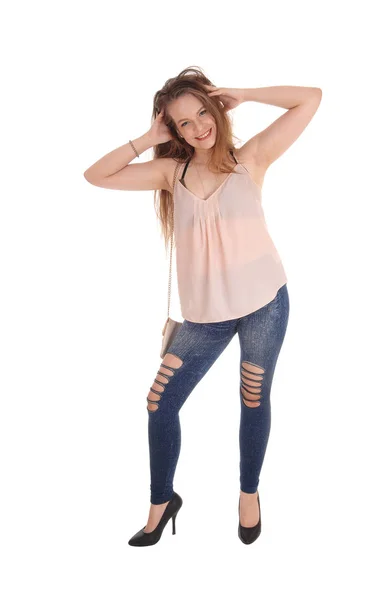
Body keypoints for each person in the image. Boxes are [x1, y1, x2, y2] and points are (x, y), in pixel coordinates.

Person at [84, 66, 322, 546]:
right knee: (158, 403)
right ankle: (161, 501)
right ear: (173, 131)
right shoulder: (172, 173)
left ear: (215, 108)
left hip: (263, 304)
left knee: (253, 397)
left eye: (201, 113)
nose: (198, 128)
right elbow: (96, 175)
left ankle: (248, 492)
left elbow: (311, 97)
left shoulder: (250, 158)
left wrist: (245, 94)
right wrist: (148, 136)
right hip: (206, 318)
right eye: (183, 123)